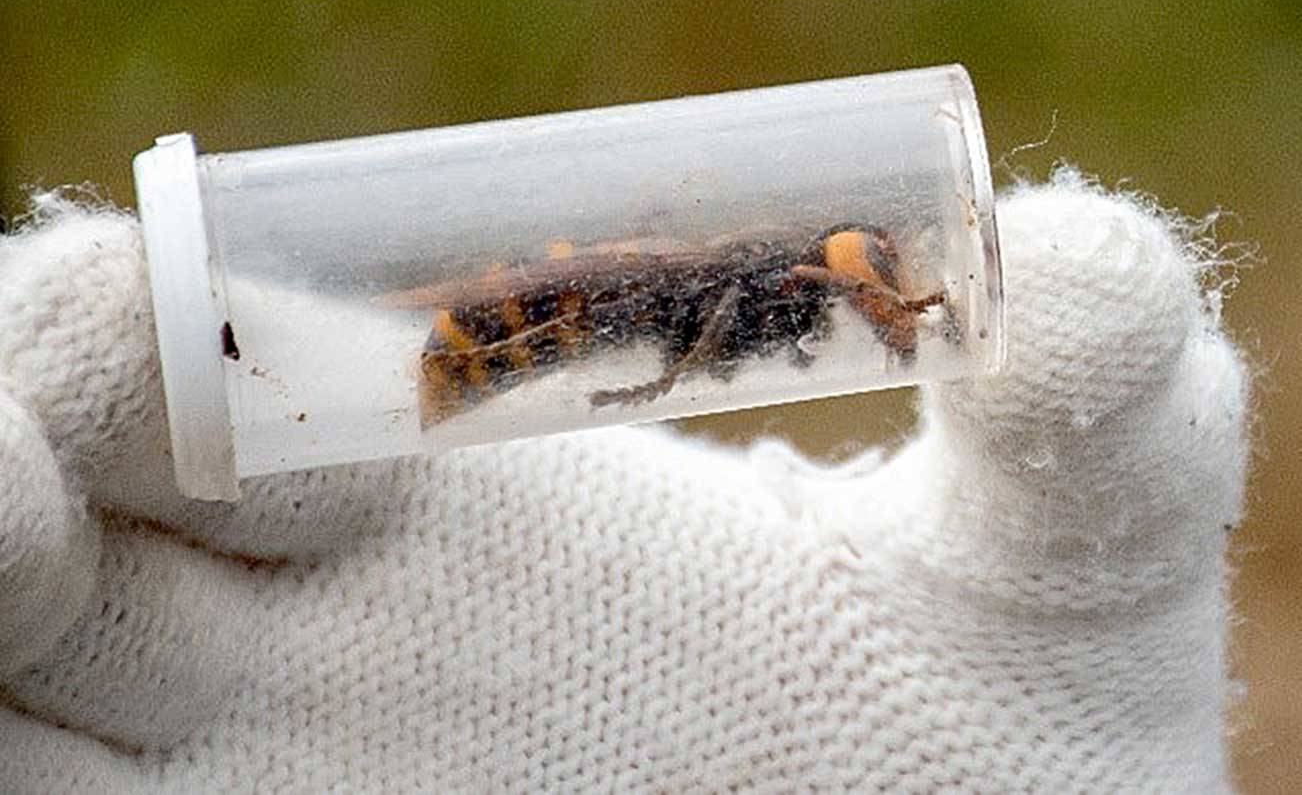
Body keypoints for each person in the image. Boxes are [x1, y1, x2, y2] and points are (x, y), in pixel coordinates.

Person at [0, 169, 1248, 792]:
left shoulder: (790, 289)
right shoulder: (758, 282)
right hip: (518, 334)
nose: (893, 304)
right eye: (875, 284)